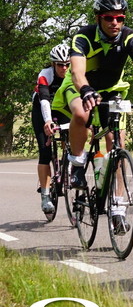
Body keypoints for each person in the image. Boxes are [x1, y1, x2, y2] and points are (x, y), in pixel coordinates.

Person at [52, 0, 133, 231]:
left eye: (120, 18)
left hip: (112, 91)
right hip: (78, 87)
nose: (115, 22)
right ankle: (78, 163)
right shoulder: (83, 36)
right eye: (109, 17)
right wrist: (86, 90)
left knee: (117, 145)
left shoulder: (130, 37)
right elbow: (77, 72)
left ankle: (118, 207)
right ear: (98, 18)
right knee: (82, 115)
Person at [32, 43, 72, 214]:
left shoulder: (74, 74)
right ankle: (46, 195)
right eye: (60, 64)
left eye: (67, 64)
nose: (64, 68)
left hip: (63, 108)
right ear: (53, 64)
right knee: (45, 151)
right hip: (42, 109)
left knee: (72, 138)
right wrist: (48, 121)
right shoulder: (45, 75)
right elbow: (45, 100)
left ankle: (67, 167)